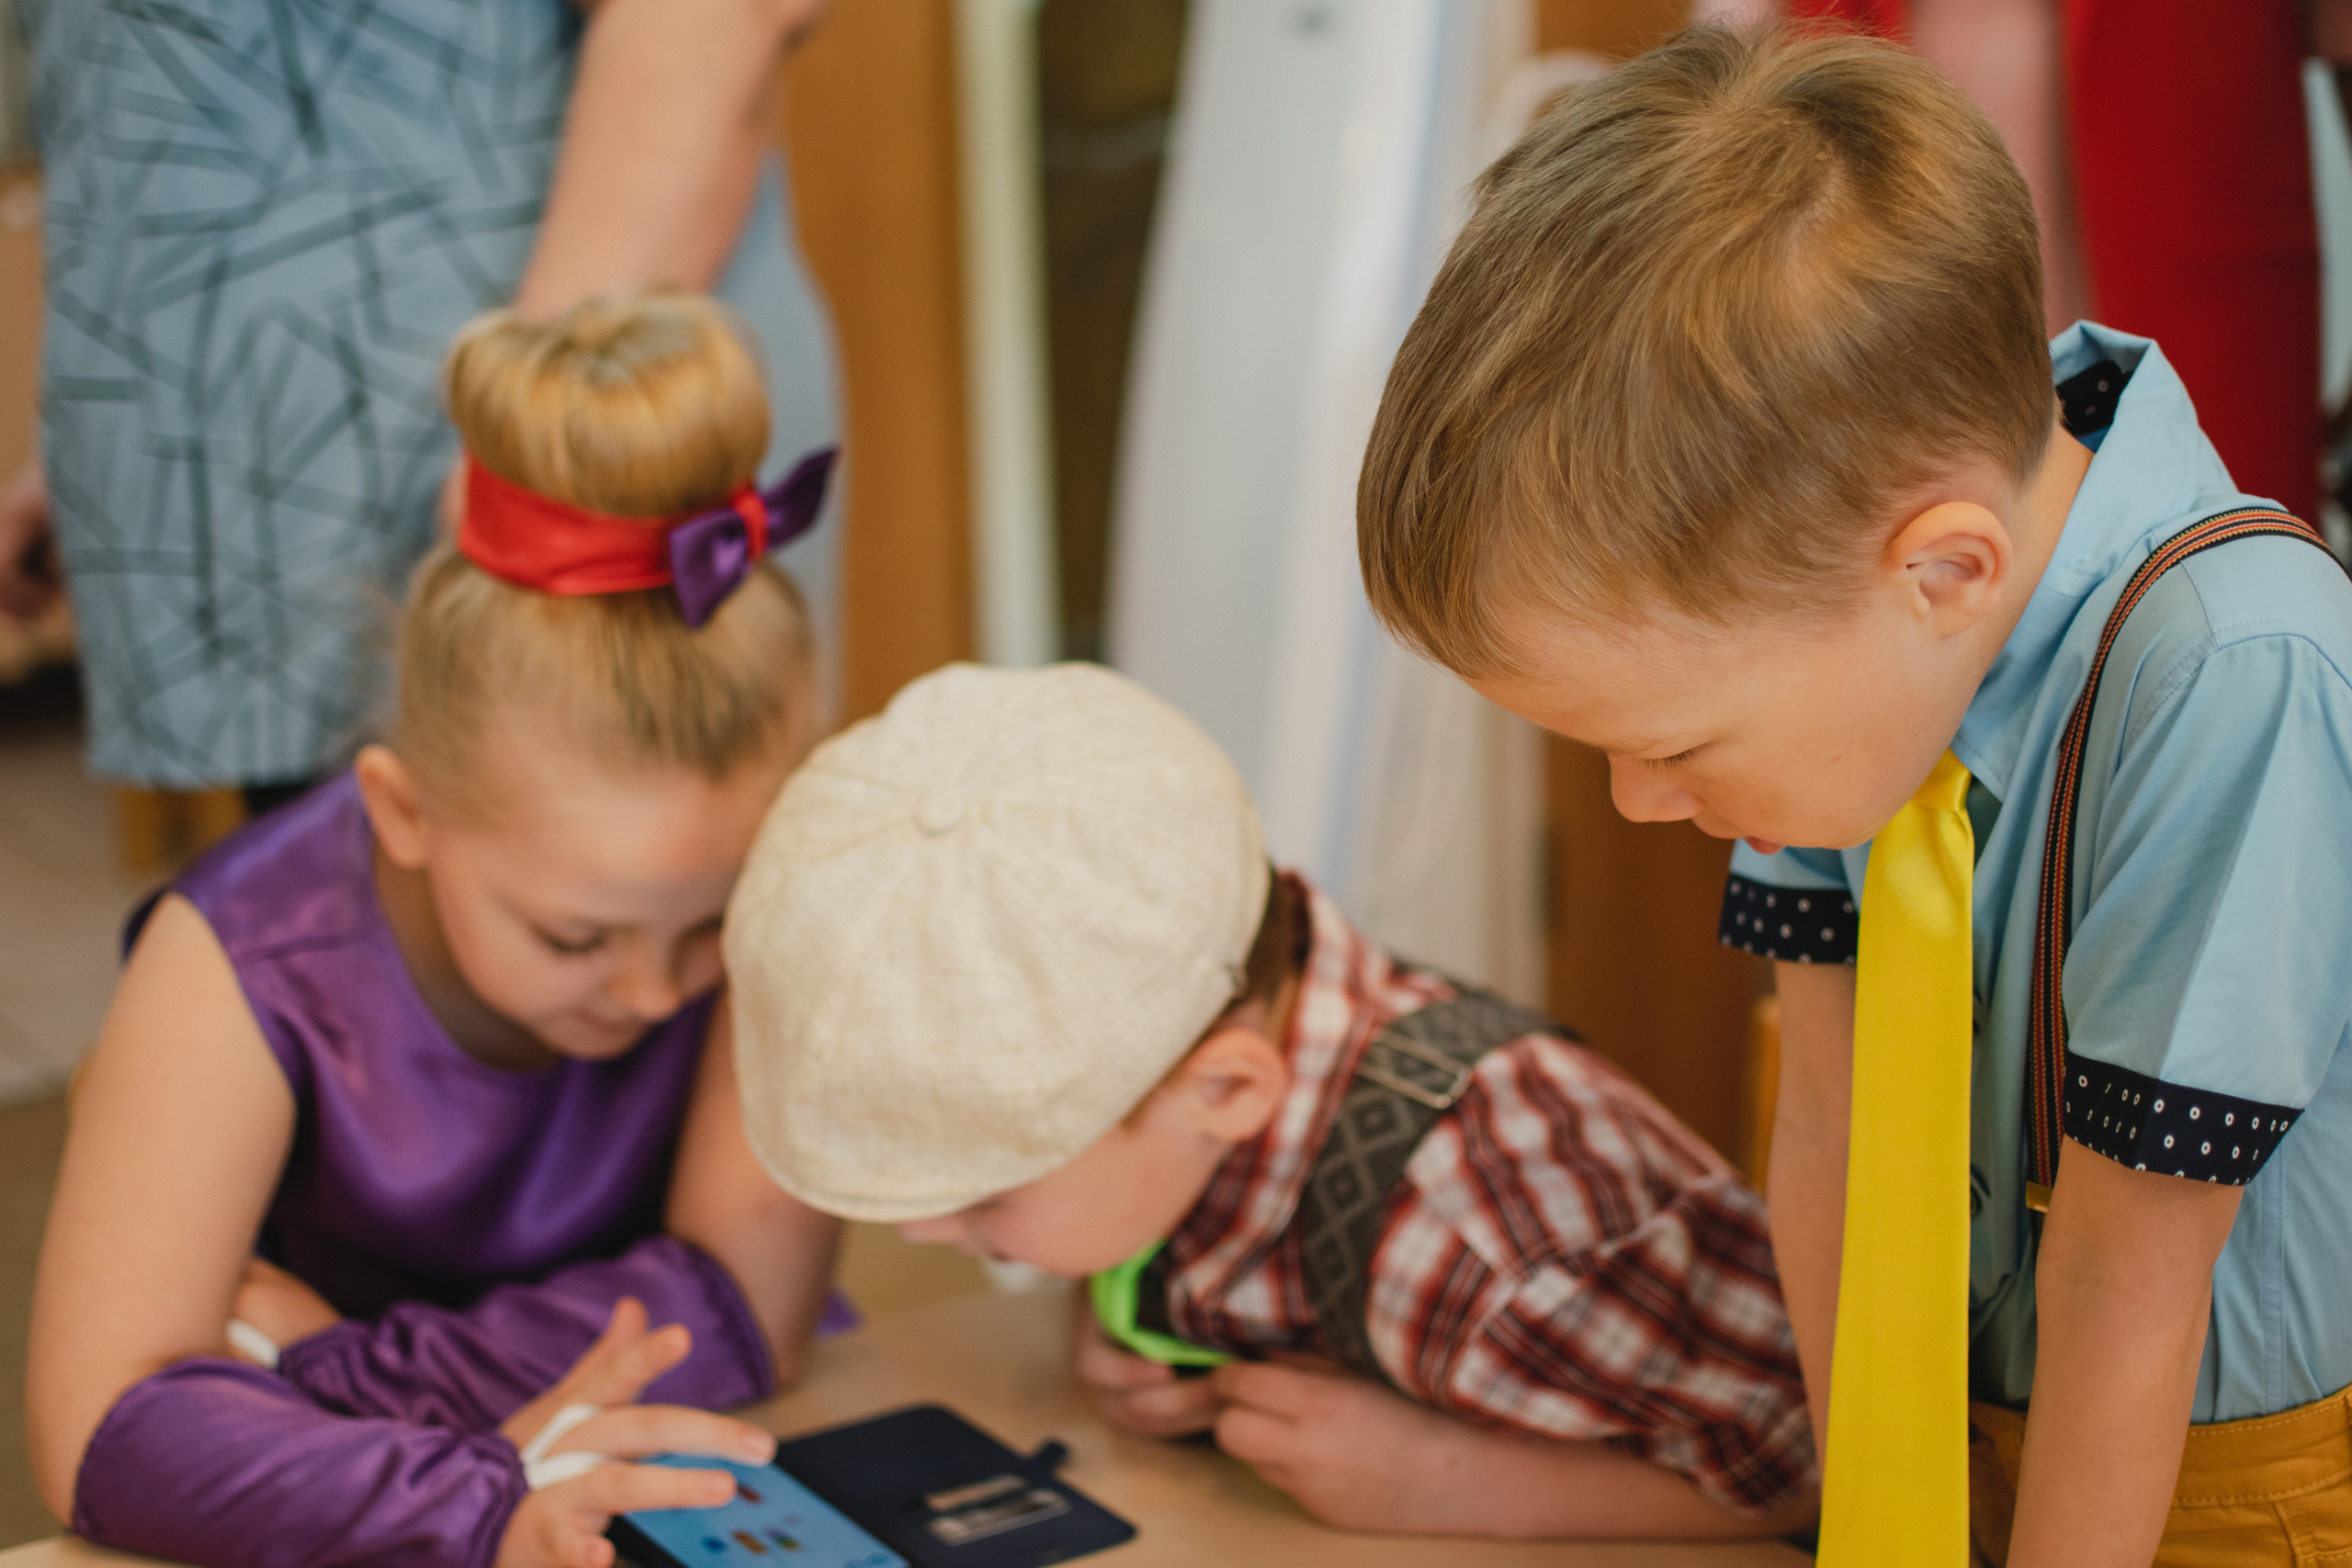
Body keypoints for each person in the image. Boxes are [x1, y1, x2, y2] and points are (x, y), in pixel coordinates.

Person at [1355, 26, 2352, 1567]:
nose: (1637, 801)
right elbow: (1824, 1124)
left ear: (1940, 572)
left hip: (2239, 1490)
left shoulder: (2235, 665)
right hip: (1962, 1429)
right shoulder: (1860, 662)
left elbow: (2124, 1280)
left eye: (1673, 743)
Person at [27, 292, 844, 1568]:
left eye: (711, 933)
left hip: (509, 1452)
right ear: (402, 811)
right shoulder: (238, 955)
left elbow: (747, 1309)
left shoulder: (745, 880)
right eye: (574, 937)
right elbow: (106, 1434)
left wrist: (329, 1367)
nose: (651, 992)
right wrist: (484, 1491)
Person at [721, 661, 1818, 1540]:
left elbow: (1814, 1468)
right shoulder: (1210, 1038)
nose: (919, 1229)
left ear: (1228, 1090)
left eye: (983, 1192)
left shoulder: (1502, 1247)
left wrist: (1445, 1483)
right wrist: (1139, 1329)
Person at [2, 0, 841, 813]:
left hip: (514, 462)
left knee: (587, 907)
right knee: (348, 902)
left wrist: (535, 438)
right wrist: (92, 431)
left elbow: (703, 14)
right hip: (256, 488)